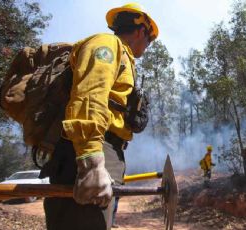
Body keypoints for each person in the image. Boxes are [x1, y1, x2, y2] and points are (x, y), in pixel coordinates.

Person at [40, 3, 159, 230]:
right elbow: (89, 98)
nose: (148, 45)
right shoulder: (106, 44)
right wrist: (91, 163)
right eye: (150, 39)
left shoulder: (124, 57)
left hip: (106, 152)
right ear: (140, 30)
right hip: (91, 151)